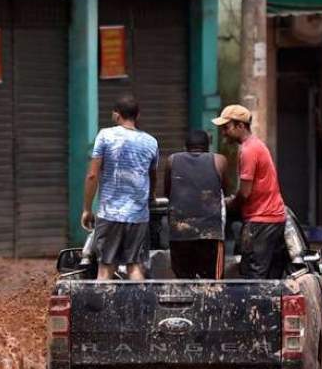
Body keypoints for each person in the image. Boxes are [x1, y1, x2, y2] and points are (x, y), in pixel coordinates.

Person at [81, 95, 160, 281]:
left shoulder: (105, 136)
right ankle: (139, 309)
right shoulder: (151, 142)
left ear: (116, 115)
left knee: (105, 267)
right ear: (137, 115)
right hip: (138, 216)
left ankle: (105, 309)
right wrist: (151, 199)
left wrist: (87, 209)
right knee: (135, 267)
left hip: (110, 214)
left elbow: (92, 175)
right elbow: (152, 177)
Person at [212, 103, 289, 279]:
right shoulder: (256, 146)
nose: (223, 133)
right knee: (269, 277)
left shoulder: (249, 150)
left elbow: (245, 193)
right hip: (271, 219)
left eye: (226, 128)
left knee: (253, 277)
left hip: (261, 221)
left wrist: (230, 204)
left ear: (240, 126)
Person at [166, 129, 231, 280]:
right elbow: (226, 191)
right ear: (207, 147)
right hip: (210, 234)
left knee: (183, 283)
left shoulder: (172, 160)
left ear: (185, 147)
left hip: (180, 234)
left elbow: (168, 192)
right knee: (213, 285)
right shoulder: (219, 160)